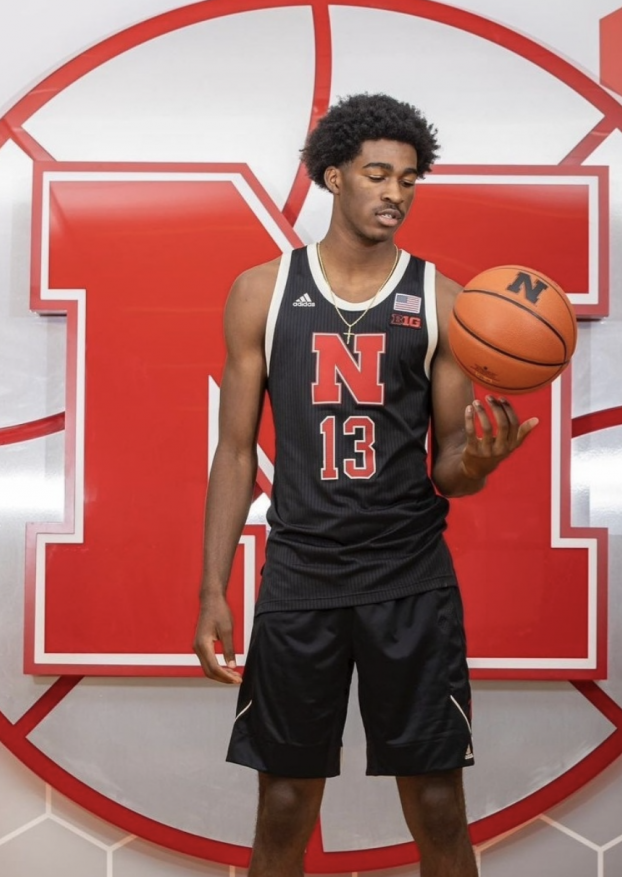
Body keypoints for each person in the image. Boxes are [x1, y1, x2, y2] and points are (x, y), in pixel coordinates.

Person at [193, 93, 537, 877]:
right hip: (300, 577)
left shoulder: (443, 300)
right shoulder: (263, 291)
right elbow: (236, 452)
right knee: (283, 804)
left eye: (409, 179)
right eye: (377, 174)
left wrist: (479, 462)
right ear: (333, 176)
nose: (394, 193)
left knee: (440, 805)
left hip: (408, 578)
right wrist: (214, 586)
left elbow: (450, 462)